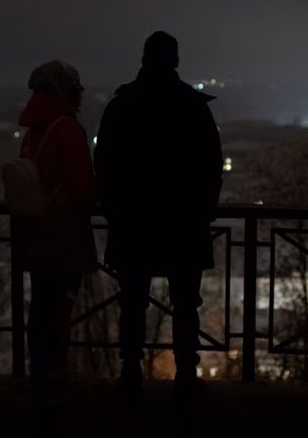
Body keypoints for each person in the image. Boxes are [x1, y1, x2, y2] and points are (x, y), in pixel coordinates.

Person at [94, 31, 223, 393]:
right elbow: (210, 167)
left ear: (144, 59)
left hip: (134, 223)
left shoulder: (122, 106)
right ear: (176, 61)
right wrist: (201, 212)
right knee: (185, 304)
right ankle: (185, 372)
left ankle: (131, 369)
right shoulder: (194, 107)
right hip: (183, 223)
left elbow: (104, 166)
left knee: (132, 302)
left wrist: (116, 212)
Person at [10, 60, 97, 383]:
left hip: (35, 233)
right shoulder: (69, 131)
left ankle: (39, 369)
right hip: (64, 235)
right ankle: (54, 373)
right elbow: (82, 188)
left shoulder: (33, 134)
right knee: (60, 306)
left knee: (41, 304)